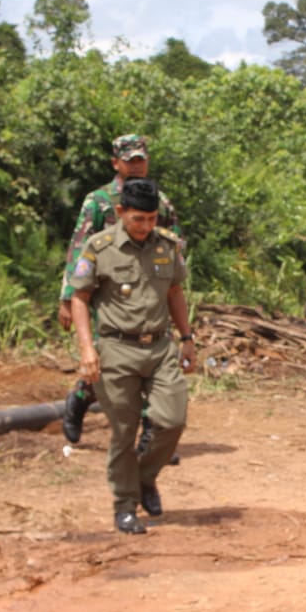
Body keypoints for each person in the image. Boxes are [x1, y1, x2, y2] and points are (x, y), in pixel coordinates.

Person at [69, 178, 195, 535]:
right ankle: (125, 505)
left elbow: (174, 292)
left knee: (172, 420)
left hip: (158, 347)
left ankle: (145, 479)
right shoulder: (99, 247)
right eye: (138, 219)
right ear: (121, 212)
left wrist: (187, 338)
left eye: (152, 219)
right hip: (116, 349)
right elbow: (79, 298)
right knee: (124, 431)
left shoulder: (167, 246)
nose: (146, 226)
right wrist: (87, 349)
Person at [58, 134, 182, 445]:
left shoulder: (159, 200)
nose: (137, 166)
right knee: (107, 360)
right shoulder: (98, 200)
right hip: (106, 291)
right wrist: (66, 297)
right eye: (130, 161)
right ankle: (80, 399)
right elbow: (77, 250)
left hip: (148, 287)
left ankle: (151, 436)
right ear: (116, 163)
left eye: (141, 159)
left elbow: (175, 242)